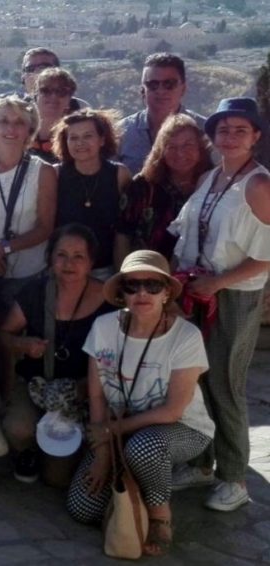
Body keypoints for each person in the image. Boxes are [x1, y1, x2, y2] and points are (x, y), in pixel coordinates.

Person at [67, 250, 213, 557]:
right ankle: (133, 493)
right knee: (82, 509)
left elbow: (173, 410)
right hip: (119, 428)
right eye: (132, 286)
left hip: (180, 428)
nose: (142, 293)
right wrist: (103, 452)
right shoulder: (104, 328)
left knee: (144, 449)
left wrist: (112, 431)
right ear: (122, 294)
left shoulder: (186, 336)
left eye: (152, 285)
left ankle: (160, 514)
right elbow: (96, 395)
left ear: (167, 292)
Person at [168, 97, 270, 512]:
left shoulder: (258, 185)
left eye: (239, 130)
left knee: (225, 384)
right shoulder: (210, 178)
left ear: (256, 137)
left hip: (233, 295)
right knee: (196, 380)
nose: (230, 137)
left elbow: (266, 254)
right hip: (200, 289)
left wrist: (218, 283)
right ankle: (201, 462)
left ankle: (234, 478)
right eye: (223, 129)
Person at [0, 224, 112, 485]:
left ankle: (61, 451)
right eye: (61, 255)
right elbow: (4, 335)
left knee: (56, 480)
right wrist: (23, 344)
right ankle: (28, 450)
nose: (69, 263)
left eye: (78, 256)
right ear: (50, 258)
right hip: (36, 385)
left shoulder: (108, 300)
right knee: (17, 428)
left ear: (91, 261)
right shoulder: (35, 292)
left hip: (82, 394)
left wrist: (87, 389)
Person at [0, 95, 58, 308]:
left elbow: (45, 227)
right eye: (4, 121)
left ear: (30, 129)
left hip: (28, 276)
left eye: (19, 122)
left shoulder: (43, 172)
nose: (11, 128)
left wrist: (3, 248)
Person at [117, 114, 213, 259]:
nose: (180, 153)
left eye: (188, 145)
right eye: (171, 146)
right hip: (148, 275)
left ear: (201, 148)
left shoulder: (214, 185)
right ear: (160, 151)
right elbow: (122, 234)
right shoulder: (142, 187)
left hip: (202, 277)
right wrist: (123, 276)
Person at [53, 110, 131, 278]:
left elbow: (125, 228)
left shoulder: (119, 174)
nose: (80, 143)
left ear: (102, 139)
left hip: (105, 269)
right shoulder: (55, 175)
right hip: (63, 269)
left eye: (87, 136)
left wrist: (121, 276)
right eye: (73, 138)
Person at [117, 53, 207, 173]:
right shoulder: (120, 133)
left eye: (169, 84)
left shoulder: (206, 131)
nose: (161, 91)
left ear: (183, 89)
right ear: (143, 90)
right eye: (153, 85)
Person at [14, 48, 88, 112]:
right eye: (30, 69)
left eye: (45, 67)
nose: (37, 73)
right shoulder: (15, 112)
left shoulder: (79, 108)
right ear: (23, 78)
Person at [30, 68, 79, 163]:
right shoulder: (21, 130)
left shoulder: (77, 134)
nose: (53, 96)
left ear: (70, 99)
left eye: (61, 92)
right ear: (36, 96)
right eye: (45, 91)